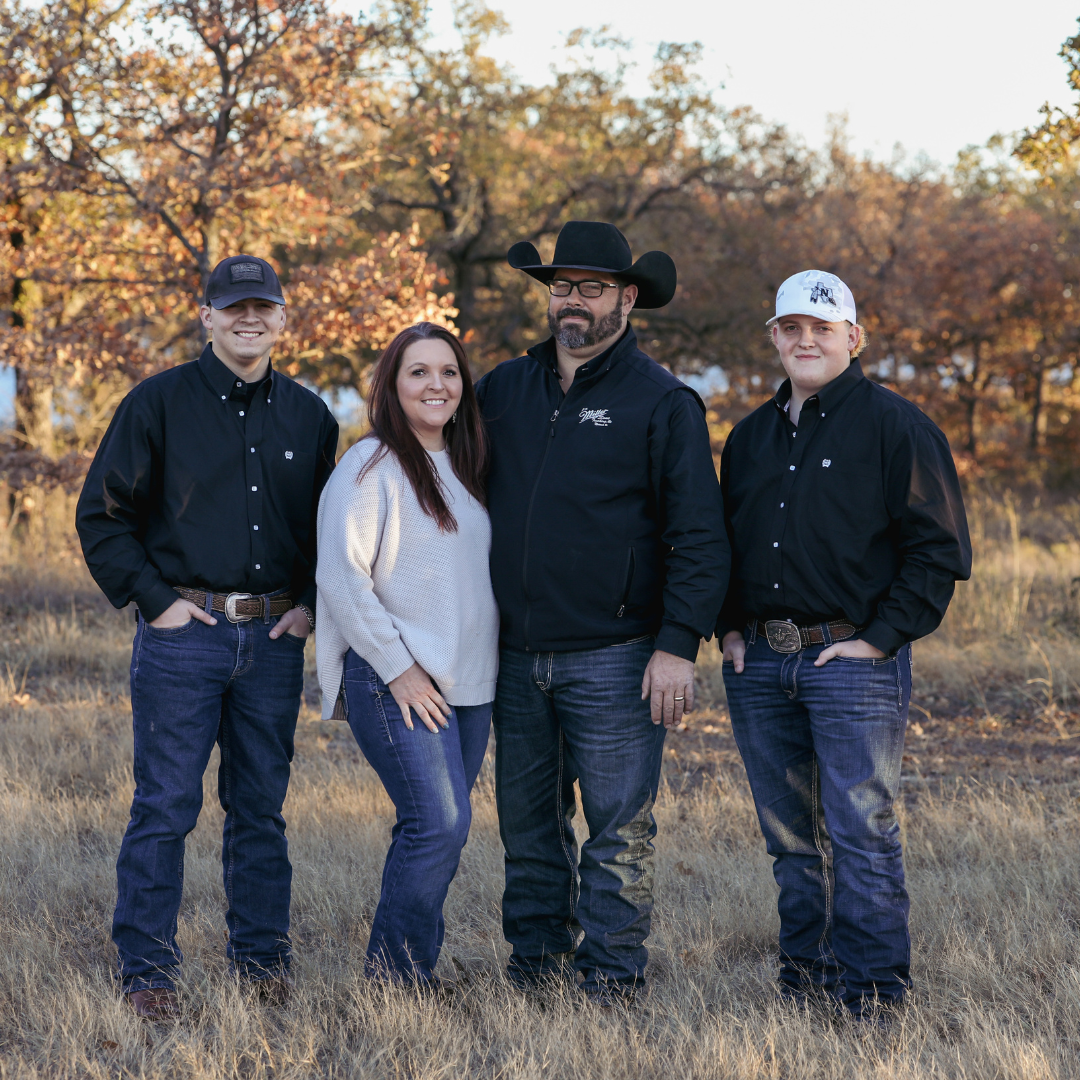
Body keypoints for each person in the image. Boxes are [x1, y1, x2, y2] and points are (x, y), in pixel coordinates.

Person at [76, 255, 338, 1020]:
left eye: (264, 307)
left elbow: (334, 531)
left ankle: (261, 964)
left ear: (284, 318)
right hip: (182, 635)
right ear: (207, 315)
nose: (249, 319)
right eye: (234, 308)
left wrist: (313, 606)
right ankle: (148, 973)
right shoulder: (155, 404)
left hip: (274, 640)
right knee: (164, 805)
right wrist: (155, 602)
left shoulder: (310, 416)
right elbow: (103, 516)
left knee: (260, 809)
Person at [476, 220, 729, 1004]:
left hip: (617, 656)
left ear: (627, 298)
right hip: (513, 655)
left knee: (619, 832)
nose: (573, 302)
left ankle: (612, 980)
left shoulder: (662, 402)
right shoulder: (502, 391)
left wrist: (677, 644)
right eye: (561, 287)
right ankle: (537, 968)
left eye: (591, 288)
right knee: (527, 829)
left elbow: (698, 535)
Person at [718, 269, 971, 1020]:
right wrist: (728, 624)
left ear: (853, 338)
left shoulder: (899, 427)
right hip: (761, 663)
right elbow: (724, 542)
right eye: (791, 328)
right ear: (773, 338)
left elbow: (939, 549)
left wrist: (882, 640)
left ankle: (872, 994)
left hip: (851, 660)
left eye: (822, 329)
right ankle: (805, 982)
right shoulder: (749, 437)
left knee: (862, 830)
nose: (806, 340)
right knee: (790, 837)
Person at [315, 322, 498, 985]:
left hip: (468, 684)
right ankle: (395, 980)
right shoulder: (370, 467)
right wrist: (400, 669)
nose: (436, 385)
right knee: (439, 823)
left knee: (434, 828)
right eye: (418, 372)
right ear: (392, 385)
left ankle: (401, 969)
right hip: (394, 677)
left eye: (448, 372)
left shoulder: (471, 465)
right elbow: (340, 578)